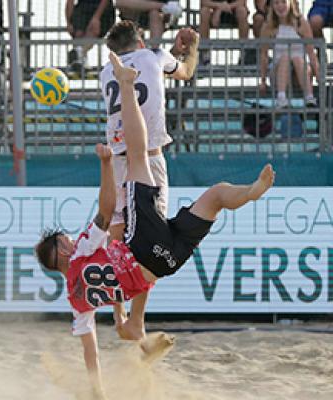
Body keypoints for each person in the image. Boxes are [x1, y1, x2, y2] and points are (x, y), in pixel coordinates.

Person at [35, 51, 275, 399]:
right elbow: (106, 210)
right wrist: (105, 164)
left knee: (215, 197)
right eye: (66, 240)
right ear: (61, 250)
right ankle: (128, 86)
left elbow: (91, 351)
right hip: (145, 246)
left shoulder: (78, 304)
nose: (72, 241)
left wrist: (97, 389)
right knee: (136, 153)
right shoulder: (82, 251)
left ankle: (137, 328)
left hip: (165, 262)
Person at [100, 20, 199, 339]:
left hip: (117, 159)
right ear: (141, 41)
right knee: (149, 238)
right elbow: (184, 72)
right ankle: (137, 322)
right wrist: (191, 49)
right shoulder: (154, 56)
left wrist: (170, 51)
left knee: (116, 238)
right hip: (149, 158)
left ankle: (119, 315)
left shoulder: (107, 71)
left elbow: (148, 70)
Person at [260, 0, 320, 108]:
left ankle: (309, 97)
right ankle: (281, 98)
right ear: (272, 6)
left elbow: (311, 52)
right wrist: (263, 80)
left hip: (300, 71)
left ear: (290, 3)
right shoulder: (268, 27)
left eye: (283, 2)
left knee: (297, 59)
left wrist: (319, 76)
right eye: (276, 3)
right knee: (285, 57)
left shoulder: (301, 23)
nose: (280, 6)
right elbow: (263, 55)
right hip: (279, 71)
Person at [65, 0, 115, 69]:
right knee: (78, 33)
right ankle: (80, 57)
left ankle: (79, 53)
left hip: (102, 9)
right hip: (83, 7)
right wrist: (69, 22)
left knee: (92, 31)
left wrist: (96, 17)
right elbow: (70, 2)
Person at [199, 0, 250, 64]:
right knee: (204, 11)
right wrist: (219, 7)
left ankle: (243, 51)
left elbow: (242, 2)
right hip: (214, 13)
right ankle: (205, 52)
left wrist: (226, 7)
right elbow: (204, 2)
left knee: (242, 11)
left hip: (232, 11)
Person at [115, 0, 183, 43]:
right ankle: (163, 6)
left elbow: (173, 10)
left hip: (157, 17)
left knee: (154, 13)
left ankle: (154, 51)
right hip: (133, 14)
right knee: (121, 2)